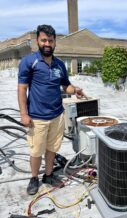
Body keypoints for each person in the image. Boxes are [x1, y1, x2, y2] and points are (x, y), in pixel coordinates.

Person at [18, 24, 86, 195]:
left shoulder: (59, 65)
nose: (47, 43)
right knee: (36, 151)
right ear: (37, 41)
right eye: (44, 40)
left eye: (50, 40)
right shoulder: (29, 62)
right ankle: (34, 178)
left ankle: (48, 175)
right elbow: (22, 89)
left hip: (57, 115)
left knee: (52, 149)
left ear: (55, 42)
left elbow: (66, 87)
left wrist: (75, 89)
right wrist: (24, 114)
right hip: (37, 117)